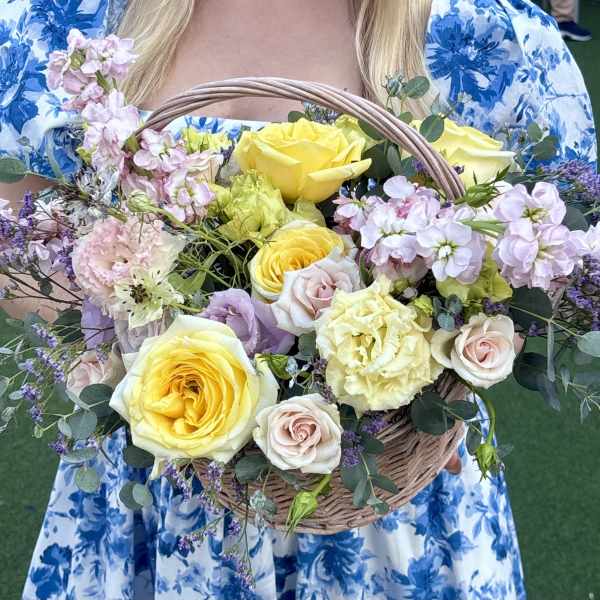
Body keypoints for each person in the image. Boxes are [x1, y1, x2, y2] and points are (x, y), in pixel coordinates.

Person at [0, 0, 595, 598]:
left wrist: (426, 372)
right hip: (164, 469)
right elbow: (16, 241)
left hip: (383, 490)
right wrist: (164, 363)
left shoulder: (484, 32)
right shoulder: (69, 27)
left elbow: (561, 256)